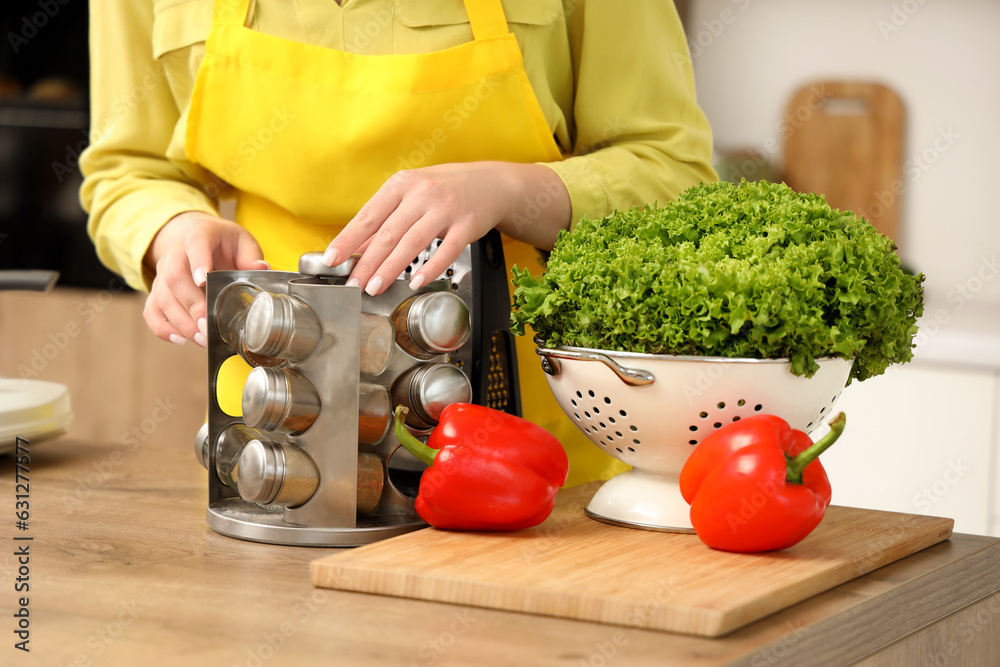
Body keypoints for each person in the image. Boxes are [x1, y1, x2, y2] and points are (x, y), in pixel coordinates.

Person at [80, 0, 717, 485]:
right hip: (278, 451)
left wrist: (508, 188)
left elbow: (672, 169)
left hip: (534, 462)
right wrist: (171, 229)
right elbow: (127, 168)